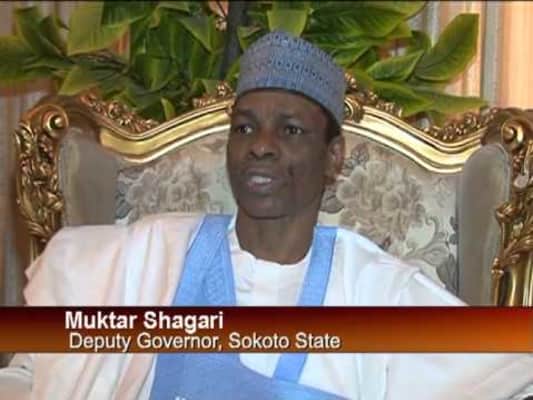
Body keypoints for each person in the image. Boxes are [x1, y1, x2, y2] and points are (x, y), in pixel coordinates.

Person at [0, 31, 532, 400]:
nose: (261, 146)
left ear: (334, 156)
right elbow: (33, 369)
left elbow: (510, 373)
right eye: (245, 127)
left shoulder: (373, 289)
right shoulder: (153, 256)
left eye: (291, 130)